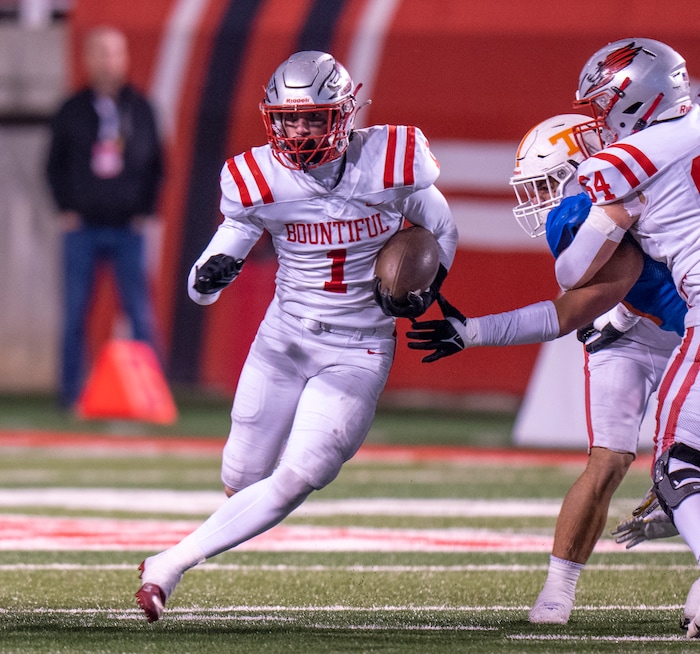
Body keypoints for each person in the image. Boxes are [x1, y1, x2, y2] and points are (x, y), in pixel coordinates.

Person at [134, 50, 458, 622]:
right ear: (272, 118)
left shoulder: (390, 161)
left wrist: (427, 286)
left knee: (300, 475)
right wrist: (207, 276)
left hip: (357, 349)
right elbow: (217, 263)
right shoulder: (256, 176)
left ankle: (169, 563)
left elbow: (440, 226)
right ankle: (198, 541)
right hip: (282, 340)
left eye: (314, 117)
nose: (300, 129)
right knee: (240, 476)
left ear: (344, 114)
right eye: (289, 118)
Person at [406, 113, 685, 624]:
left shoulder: (627, 191)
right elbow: (588, 295)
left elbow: (574, 305)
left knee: (680, 464)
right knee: (609, 461)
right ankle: (557, 593)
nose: (548, 201)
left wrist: (475, 332)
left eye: (552, 181)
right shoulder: (594, 208)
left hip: (681, 335)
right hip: (630, 333)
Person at [551, 37, 700, 638]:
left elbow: (572, 273)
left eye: (604, 105)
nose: (599, 120)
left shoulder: (620, 163)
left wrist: (604, 219)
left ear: (633, 98)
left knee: (679, 463)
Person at [45, 25, 164, 409]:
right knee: (75, 312)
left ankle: (151, 397)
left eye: (114, 52)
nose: (107, 61)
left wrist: (146, 211)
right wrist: (65, 208)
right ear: (87, 58)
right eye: (99, 52)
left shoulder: (141, 107)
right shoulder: (72, 109)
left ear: (125, 58)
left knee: (139, 313)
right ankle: (71, 397)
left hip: (128, 227)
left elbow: (158, 165)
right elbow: (53, 165)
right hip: (83, 227)